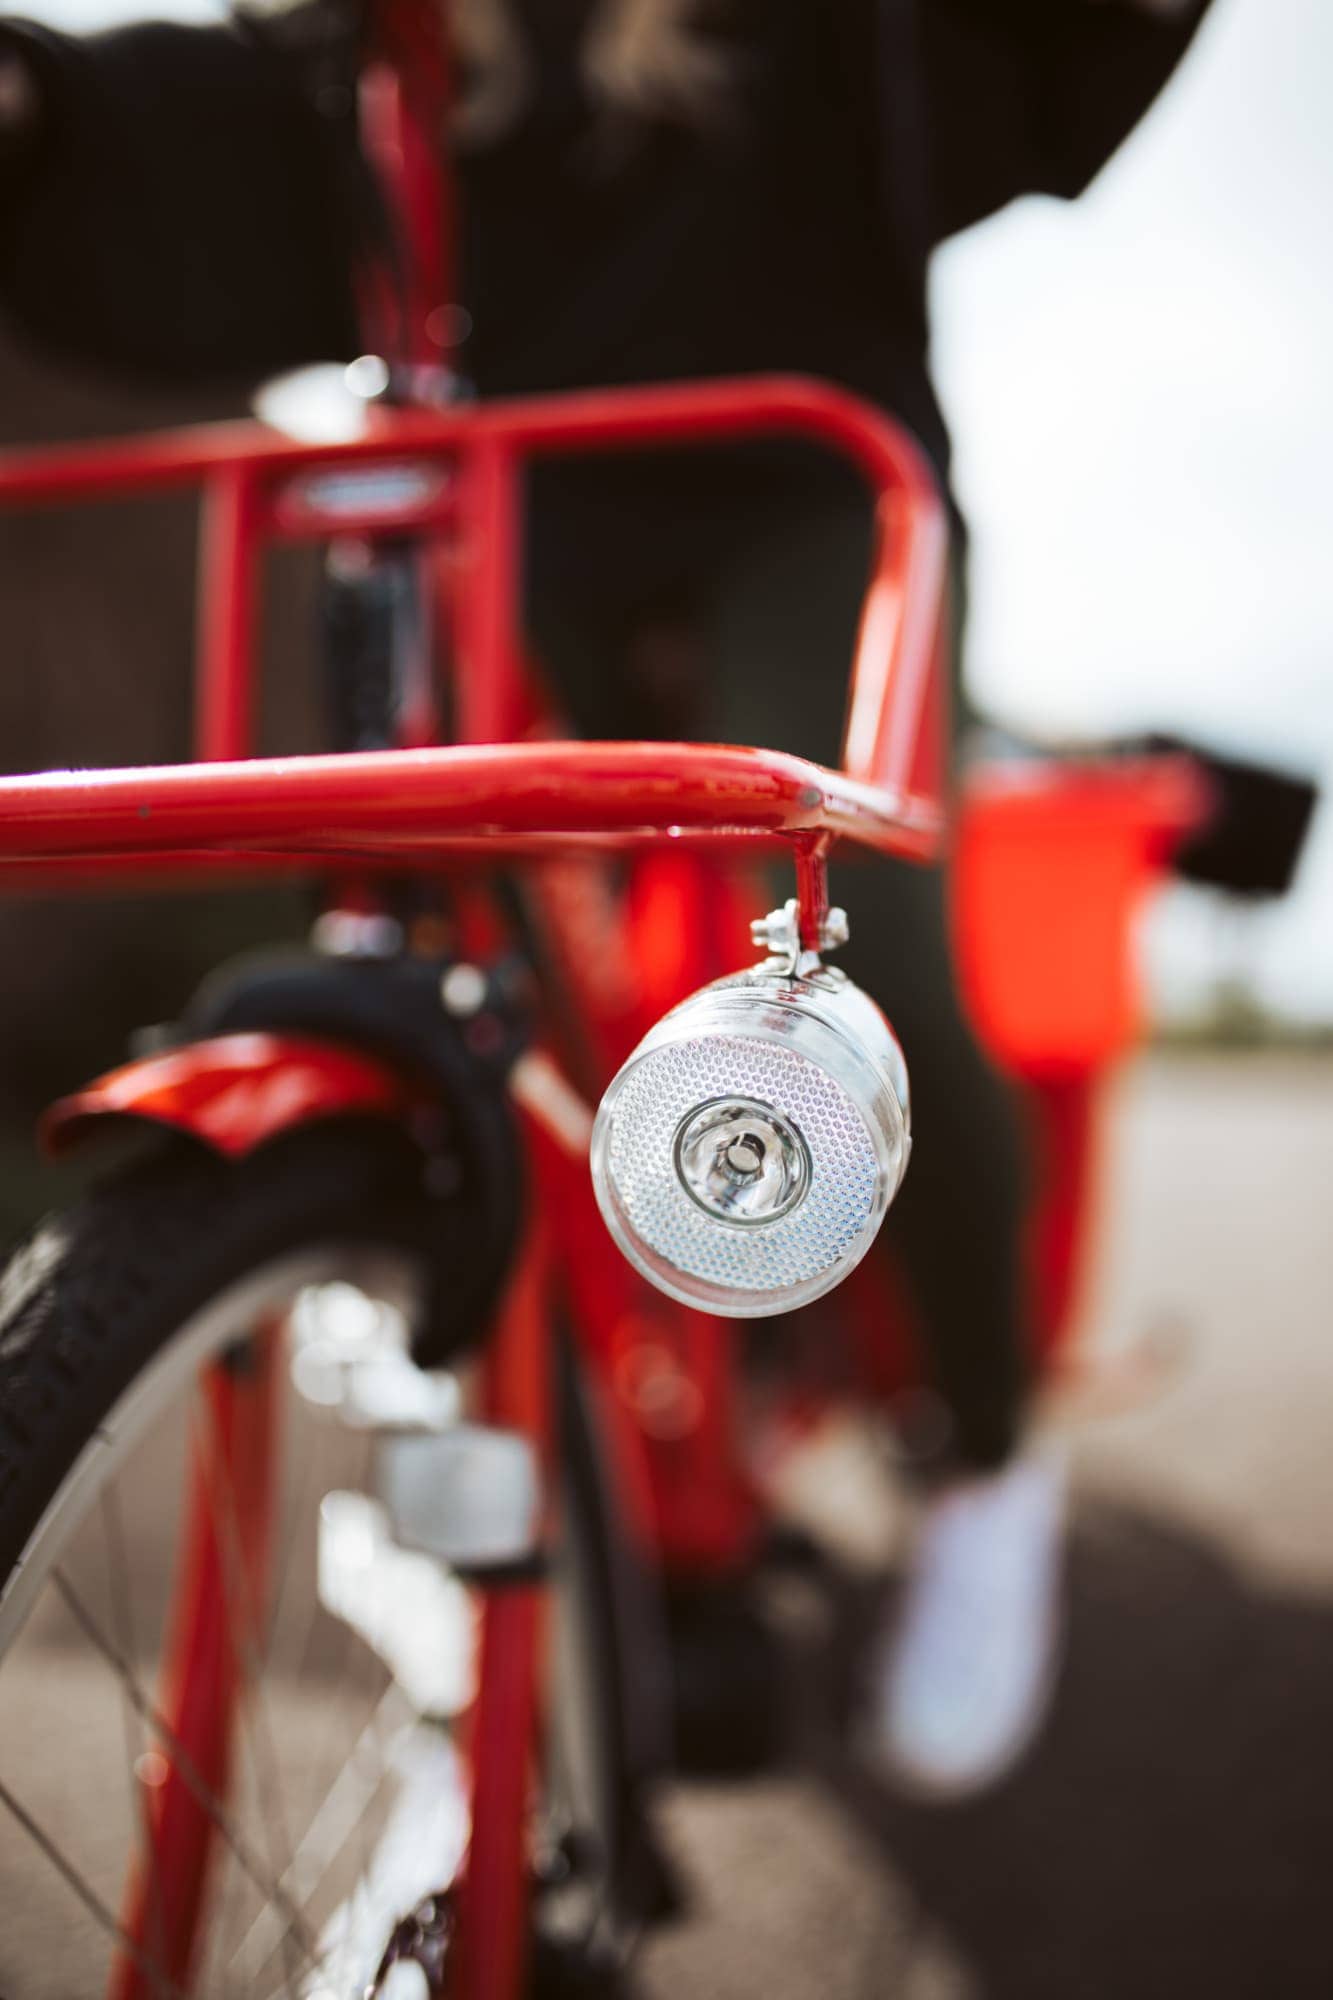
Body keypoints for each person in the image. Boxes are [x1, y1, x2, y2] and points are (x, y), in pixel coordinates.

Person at [0, 0, 1210, 1796]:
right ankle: (571, 1396)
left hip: (795, 483)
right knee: (433, 932)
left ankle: (987, 1459)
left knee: (859, 959)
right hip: (527, 518)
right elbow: (191, 139)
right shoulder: (401, 47)